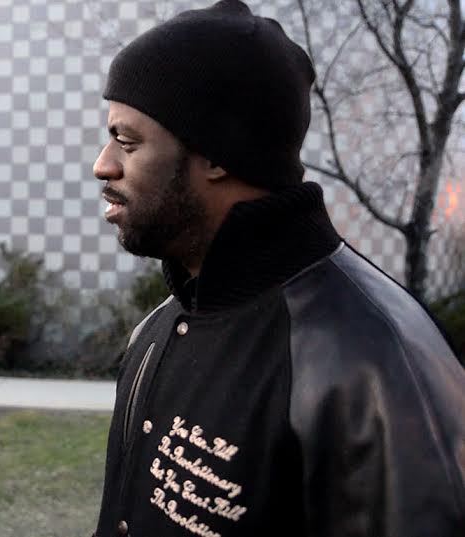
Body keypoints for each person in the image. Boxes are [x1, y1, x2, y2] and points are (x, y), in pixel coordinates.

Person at [90, 1, 465, 536]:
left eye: (127, 141)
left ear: (217, 155)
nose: (102, 164)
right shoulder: (156, 331)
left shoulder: (376, 362)